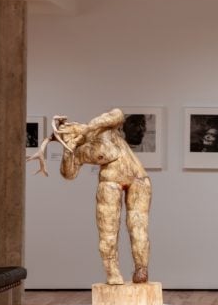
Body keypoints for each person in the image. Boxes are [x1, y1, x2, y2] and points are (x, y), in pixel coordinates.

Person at [48, 109, 152, 285]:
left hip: (139, 179)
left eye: (69, 128)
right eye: (64, 134)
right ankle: (112, 271)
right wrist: (68, 150)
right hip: (110, 182)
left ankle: (141, 268)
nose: (69, 134)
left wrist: (85, 129)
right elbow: (69, 174)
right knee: (108, 229)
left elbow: (117, 114)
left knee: (138, 226)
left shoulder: (105, 129)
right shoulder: (80, 150)